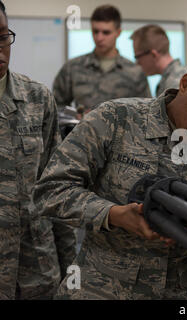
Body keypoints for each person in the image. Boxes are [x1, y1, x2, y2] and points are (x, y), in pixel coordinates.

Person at [32, 50, 187, 299]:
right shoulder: (115, 119)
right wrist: (114, 215)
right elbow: (50, 191)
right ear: (185, 84)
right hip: (103, 289)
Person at [0, 1, 76, 299]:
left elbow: (58, 187)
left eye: (3, 36)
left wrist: (71, 268)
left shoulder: (37, 98)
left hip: (36, 270)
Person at [53, 5, 150, 119]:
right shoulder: (73, 68)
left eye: (106, 32)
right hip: (82, 134)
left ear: (118, 32)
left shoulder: (134, 72)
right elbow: (56, 106)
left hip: (121, 136)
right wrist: (74, 115)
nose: (99, 38)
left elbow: (146, 112)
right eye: (95, 31)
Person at [131, 24, 187, 97]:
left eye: (137, 57)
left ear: (153, 55)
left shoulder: (175, 82)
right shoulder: (169, 78)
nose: (137, 63)